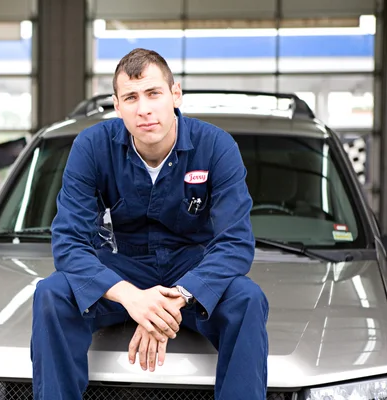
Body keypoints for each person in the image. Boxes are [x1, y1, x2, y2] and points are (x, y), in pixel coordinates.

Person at [30, 48, 269, 400]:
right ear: (117, 105)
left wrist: (174, 301)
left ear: (175, 94)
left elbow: (234, 243)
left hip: (192, 266)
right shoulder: (92, 146)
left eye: (154, 93)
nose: (143, 109)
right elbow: (69, 242)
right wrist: (131, 298)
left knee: (247, 298)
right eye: (131, 97)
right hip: (123, 264)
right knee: (51, 294)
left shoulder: (216, 146)